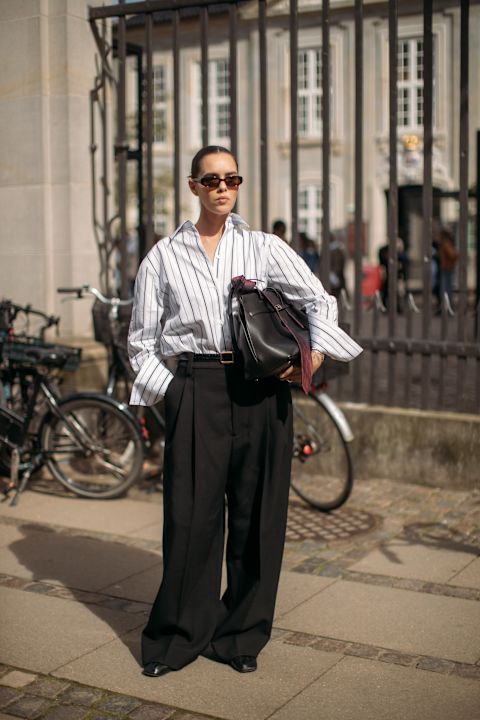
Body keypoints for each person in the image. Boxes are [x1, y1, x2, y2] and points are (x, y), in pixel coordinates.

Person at [128, 145, 362, 679]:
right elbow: (140, 341)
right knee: (191, 519)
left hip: (262, 390)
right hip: (197, 387)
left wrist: (314, 355)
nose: (222, 188)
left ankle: (241, 633)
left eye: (231, 179)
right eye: (211, 180)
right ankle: (177, 636)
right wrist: (175, 392)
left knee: (258, 518)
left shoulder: (263, 247)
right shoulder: (162, 257)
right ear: (194, 186)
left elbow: (320, 300)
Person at [438, 225, 458, 308]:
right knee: (446, 288)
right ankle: (446, 305)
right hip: (447, 268)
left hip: (447, 268)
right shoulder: (445, 243)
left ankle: (447, 306)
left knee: (446, 288)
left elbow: (453, 254)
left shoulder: (446, 243)